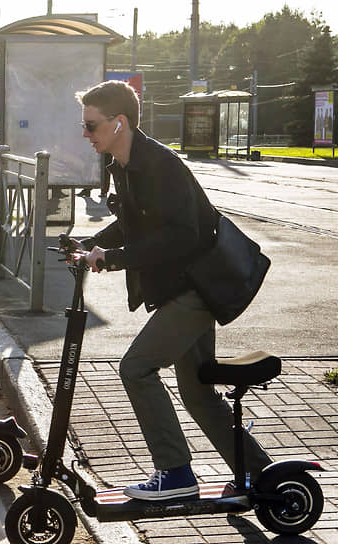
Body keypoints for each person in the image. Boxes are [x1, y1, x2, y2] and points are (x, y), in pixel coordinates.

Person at [73, 80, 271, 501]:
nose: (85, 135)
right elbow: (134, 225)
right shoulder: (124, 165)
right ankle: (261, 475)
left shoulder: (159, 166)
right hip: (181, 288)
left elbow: (182, 236)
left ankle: (175, 472)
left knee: (136, 369)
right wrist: (88, 246)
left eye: (91, 126)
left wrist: (115, 257)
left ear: (118, 124)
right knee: (197, 393)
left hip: (196, 288)